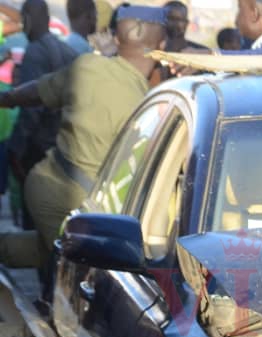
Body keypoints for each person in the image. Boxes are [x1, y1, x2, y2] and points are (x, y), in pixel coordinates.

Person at [0, 5, 167, 265]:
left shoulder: (88, 66)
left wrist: (6, 98)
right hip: (72, 202)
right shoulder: (148, 105)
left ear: (116, 38)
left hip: (48, 186)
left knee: (50, 253)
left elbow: (38, 91)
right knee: (80, 265)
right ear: (162, 45)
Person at [9, 0, 77, 226]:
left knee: (34, 218)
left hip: (37, 149)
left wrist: (16, 149)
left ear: (30, 19)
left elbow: (30, 108)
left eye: (24, 20)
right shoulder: (67, 50)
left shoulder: (35, 51)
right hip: (61, 147)